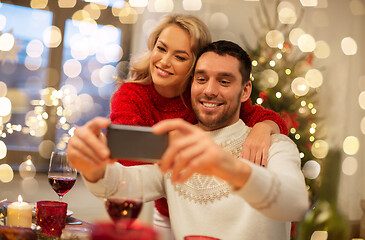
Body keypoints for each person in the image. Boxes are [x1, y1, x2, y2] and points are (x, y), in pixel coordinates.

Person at [68, 40, 308, 240]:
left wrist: (229, 167)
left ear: (245, 91)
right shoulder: (175, 145)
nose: (209, 90)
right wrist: (93, 168)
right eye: (201, 79)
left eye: (224, 81)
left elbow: (295, 204)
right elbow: (121, 183)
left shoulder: (276, 145)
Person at [106, 14, 288, 235]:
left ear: (195, 66)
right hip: (167, 211)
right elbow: (128, 159)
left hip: (206, 210)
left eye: (179, 57)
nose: (164, 61)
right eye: (161, 48)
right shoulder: (131, 95)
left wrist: (264, 127)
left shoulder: (202, 96)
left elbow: (268, 118)